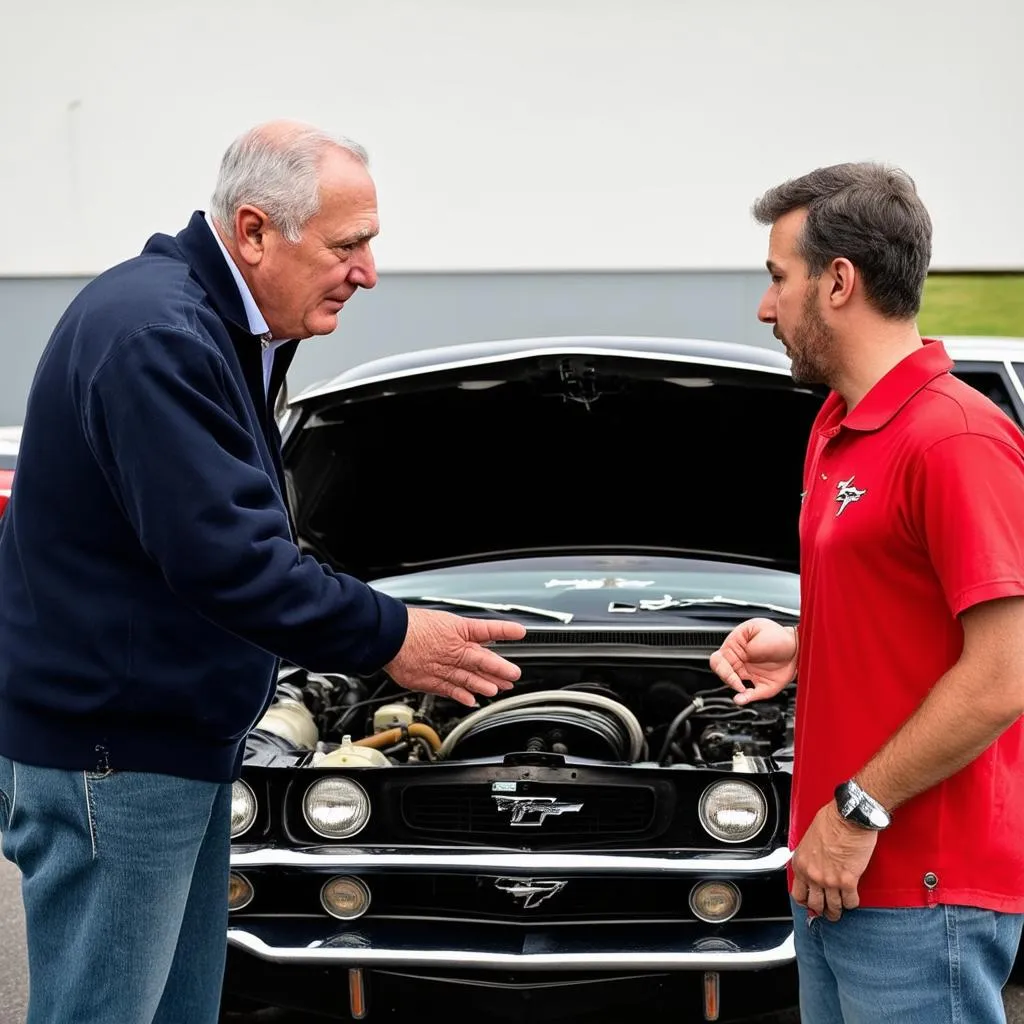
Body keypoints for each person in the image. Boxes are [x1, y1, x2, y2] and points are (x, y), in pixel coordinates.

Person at [0, 120, 526, 1024]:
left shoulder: (206, 322)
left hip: (162, 744)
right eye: (347, 245)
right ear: (254, 231)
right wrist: (394, 636)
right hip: (115, 756)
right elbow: (231, 559)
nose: (367, 272)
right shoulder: (157, 336)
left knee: (178, 1009)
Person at [709, 162, 1024, 1024]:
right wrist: (803, 645)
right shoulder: (836, 429)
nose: (766, 307)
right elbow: (914, 620)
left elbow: (1003, 675)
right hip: (832, 874)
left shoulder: (955, 438)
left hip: (921, 891)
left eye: (779, 278)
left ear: (838, 281)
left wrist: (856, 810)